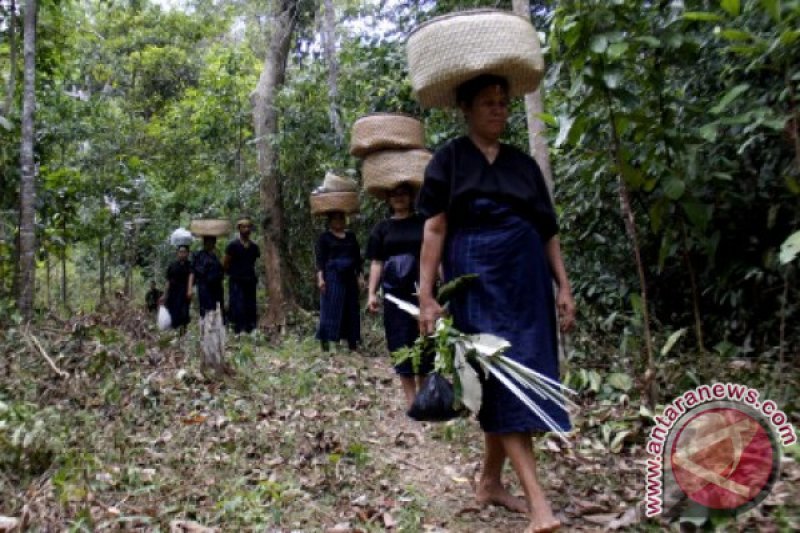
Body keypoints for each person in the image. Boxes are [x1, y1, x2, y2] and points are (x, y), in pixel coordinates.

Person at [416, 74, 576, 533]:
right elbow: (435, 229)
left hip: (526, 283)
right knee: (503, 379)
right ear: (466, 108)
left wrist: (562, 286)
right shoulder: (448, 161)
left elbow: (548, 231)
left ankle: (489, 481)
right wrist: (427, 296)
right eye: (488, 103)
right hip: (476, 280)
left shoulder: (524, 166)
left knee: (520, 375)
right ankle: (539, 505)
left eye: (504, 103)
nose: (499, 110)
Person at [366, 183, 431, 408]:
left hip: (422, 291)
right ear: (388, 199)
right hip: (394, 295)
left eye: (403, 193)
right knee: (400, 343)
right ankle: (412, 401)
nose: (399, 198)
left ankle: (425, 397)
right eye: (394, 195)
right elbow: (377, 262)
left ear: (411, 196)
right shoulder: (381, 229)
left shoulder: (423, 223)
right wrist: (371, 293)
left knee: (425, 342)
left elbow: (434, 256)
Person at [315, 211, 362, 352]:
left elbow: (358, 258)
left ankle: (352, 345)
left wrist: (360, 276)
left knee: (351, 309)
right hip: (332, 276)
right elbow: (320, 260)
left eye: (341, 218)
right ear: (330, 221)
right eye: (335, 218)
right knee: (329, 309)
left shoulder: (351, 237)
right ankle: (326, 345)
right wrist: (320, 279)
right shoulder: (324, 238)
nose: (339, 221)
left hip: (350, 277)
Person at [224, 219, 261, 334]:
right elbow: (225, 263)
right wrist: (231, 273)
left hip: (249, 280)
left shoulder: (254, 247)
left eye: (248, 227)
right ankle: (238, 330)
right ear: (239, 229)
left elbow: (254, 262)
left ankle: (251, 328)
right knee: (237, 305)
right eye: (244, 227)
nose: (246, 229)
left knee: (250, 304)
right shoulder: (232, 245)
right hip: (236, 281)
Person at [161, 245, 193, 334]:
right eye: (180, 252)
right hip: (173, 293)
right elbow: (168, 281)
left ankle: (183, 335)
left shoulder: (190, 265)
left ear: (187, 253)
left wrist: (190, 290)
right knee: (172, 314)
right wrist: (164, 294)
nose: (182, 254)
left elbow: (192, 277)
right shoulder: (172, 266)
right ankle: (172, 335)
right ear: (177, 253)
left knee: (184, 315)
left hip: (184, 294)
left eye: (184, 252)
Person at [193, 236, 225, 318]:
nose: (211, 244)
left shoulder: (215, 256)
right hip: (205, 288)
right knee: (206, 311)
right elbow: (196, 271)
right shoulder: (199, 255)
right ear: (205, 243)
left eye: (212, 242)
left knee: (216, 311)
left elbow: (221, 272)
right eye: (209, 242)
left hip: (216, 289)